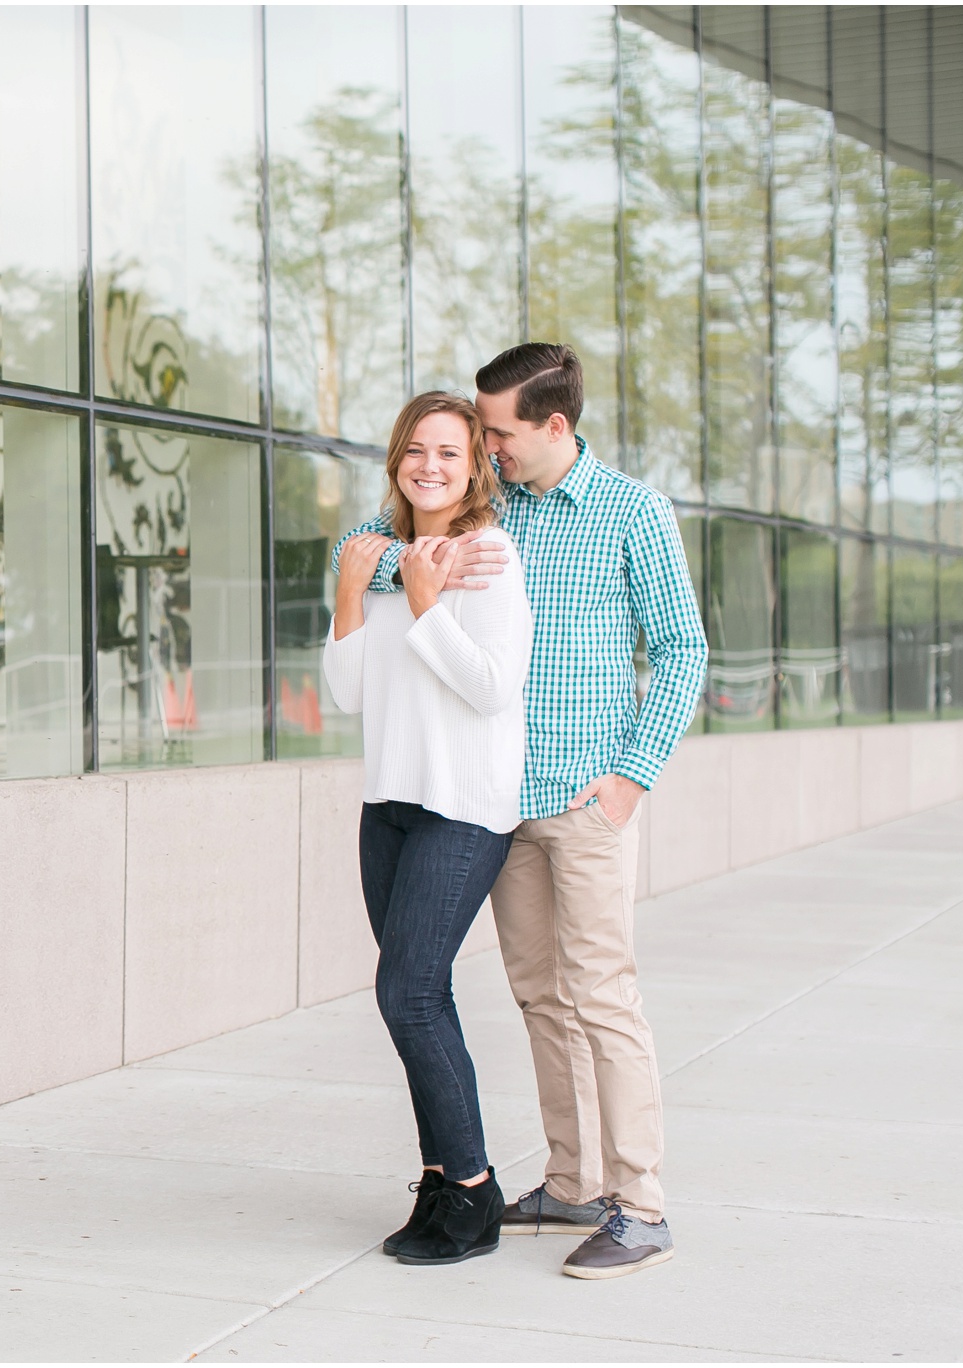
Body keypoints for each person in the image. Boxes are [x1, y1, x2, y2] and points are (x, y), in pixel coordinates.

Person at [334, 343, 707, 1279]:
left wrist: (631, 777)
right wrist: (367, 567)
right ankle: (572, 1178)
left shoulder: (630, 512)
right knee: (540, 996)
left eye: (497, 431)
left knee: (603, 998)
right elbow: (389, 565)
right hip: (497, 799)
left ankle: (642, 1204)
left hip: (583, 796)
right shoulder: (496, 515)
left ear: (553, 425)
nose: (486, 444)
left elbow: (682, 650)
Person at [324, 391, 531, 1267]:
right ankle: (442, 1180)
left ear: (474, 464)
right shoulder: (376, 559)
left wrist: (424, 602)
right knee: (420, 999)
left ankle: (476, 1193)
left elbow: (489, 686)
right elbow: (349, 694)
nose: (431, 466)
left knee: (406, 994)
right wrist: (351, 590)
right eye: (418, 450)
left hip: (463, 806)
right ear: (396, 459)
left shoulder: (487, 554)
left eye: (450, 452)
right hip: (391, 806)